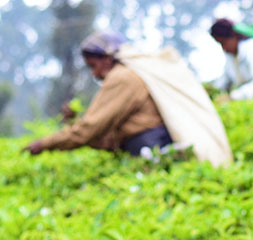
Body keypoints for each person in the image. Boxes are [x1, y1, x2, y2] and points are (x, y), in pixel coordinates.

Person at [24, 32, 172, 157]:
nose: (94, 73)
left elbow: (89, 130)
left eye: (93, 66)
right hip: (147, 148)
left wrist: (44, 143)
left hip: (150, 148)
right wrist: (74, 121)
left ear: (107, 59)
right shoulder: (129, 76)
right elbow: (102, 137)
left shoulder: (121, 78)